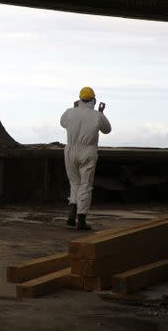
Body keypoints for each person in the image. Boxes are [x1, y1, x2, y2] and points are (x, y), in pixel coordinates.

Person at [60, 86, 111, 230]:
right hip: (88, 151)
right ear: (94, 100)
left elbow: (63, 123)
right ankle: (81, 219)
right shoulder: (96, 115)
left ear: (79, 99)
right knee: (85, 185)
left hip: (70, 151)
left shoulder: (69, 113)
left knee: (74, 183)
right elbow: (107, 129)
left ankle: (71, 213)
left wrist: (74, 108)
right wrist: (101, 113)